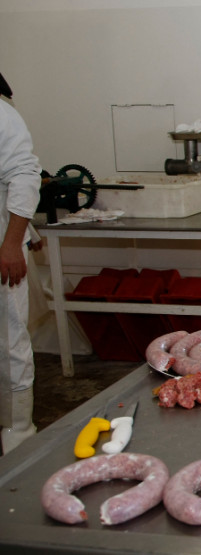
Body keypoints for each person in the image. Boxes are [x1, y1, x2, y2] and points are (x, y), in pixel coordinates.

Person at [0, 72, 42, 453]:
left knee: (9, 340)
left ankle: (18, 432)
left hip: (1, 248)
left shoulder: (2, 115)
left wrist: (13, 242)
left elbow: (25, 176)